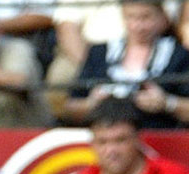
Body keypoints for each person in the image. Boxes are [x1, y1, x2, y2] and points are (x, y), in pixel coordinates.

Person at [64, 0, 189, 128]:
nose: (138, 26)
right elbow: (70, 107)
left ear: (162, 18)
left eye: (146, 17)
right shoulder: (99, 53)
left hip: (157, 134)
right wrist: (91, 103)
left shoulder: (179, 55)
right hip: (106, 136)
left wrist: (167, 104)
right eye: (131, 17)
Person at [60, 96, 189, 174]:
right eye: (102, 142)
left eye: (120, 140)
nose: (111, 150)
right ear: (92, 143)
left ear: (138, 139)